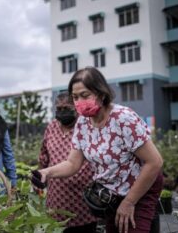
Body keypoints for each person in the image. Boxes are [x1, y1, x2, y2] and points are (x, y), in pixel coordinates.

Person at [32, 67, 163, 233]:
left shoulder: (123, 119)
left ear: (101, 94)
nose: (79, 101)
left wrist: (129, 202)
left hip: (140, 185)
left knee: (131, 227)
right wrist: (46, 172)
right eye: (75, 97)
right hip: (110, 192)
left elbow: (155, 162)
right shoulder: (83, 123)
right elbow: (72, 163)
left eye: (85, 95)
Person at [38, 92, 98, 233]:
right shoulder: (52, 127)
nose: (62, 112)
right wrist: (40, 177)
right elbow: (43, 157)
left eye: (66, 108)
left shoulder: (86, 127)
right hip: (56, 201)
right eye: (59, 109)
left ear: (75, 107)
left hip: (83, 205)